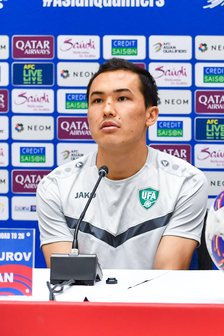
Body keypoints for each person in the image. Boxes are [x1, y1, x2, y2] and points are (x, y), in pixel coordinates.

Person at [37, 58, 208, 270]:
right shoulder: (55, 186)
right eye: (97, 101)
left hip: (151, 302)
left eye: (122, 98)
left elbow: (166, 280)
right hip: (85, 302)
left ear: (150, 115)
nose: (107, 110)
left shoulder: (186, 183)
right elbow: (68, 279)